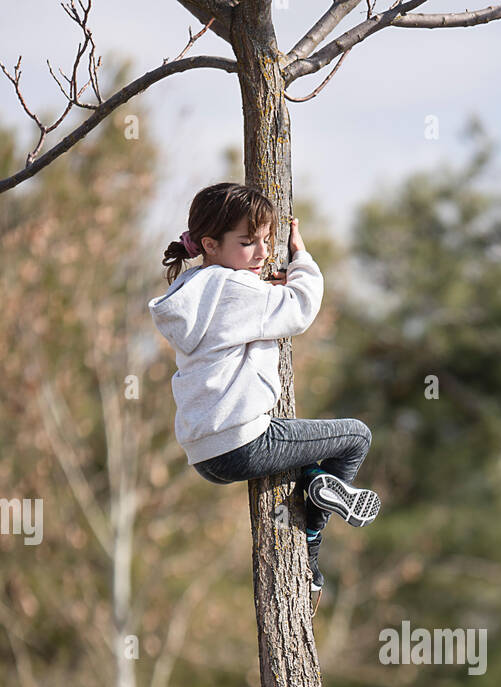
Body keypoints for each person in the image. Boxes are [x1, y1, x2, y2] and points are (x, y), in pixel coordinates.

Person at [148, 182, 379, 592]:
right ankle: (312, 540)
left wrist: (265, 285)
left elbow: (239, 316)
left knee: (307, 452)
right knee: (356, 438)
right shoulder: (236, 288)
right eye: (247, 242)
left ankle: (314, 478)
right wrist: (302, 260)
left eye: (268, 240)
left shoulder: (192, 292)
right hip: (246, 441)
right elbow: (301, 308)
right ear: (211, 245)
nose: (262, 252)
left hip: (205, 455)